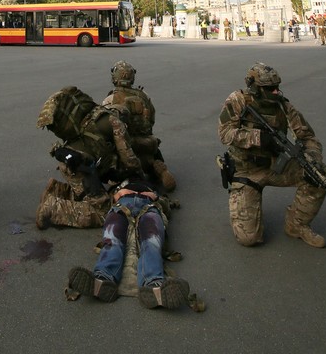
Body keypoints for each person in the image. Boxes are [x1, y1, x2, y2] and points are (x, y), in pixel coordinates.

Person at [218, 62, 326, 249]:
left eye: (277, 87)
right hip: (247, 170)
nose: (275, 92)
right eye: (269, 88)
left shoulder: (284, 107)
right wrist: (258, 138)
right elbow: (225, 133)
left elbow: (309, 137)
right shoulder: (237, 100)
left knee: (319, 176)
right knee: (249, 239)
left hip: (276, 165)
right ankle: (248, 202)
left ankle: (297, 224)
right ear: (254, 86)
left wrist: (313, 157)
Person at [67, 176, 203, 311]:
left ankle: (153, 284)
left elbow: (166, 203)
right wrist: (116, 194)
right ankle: (103, 279)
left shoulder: (152, 184)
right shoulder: (118, 181)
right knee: (113, 240)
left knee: (151, 242)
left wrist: (157, 197)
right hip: (121, 205)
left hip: (150, 206)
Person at [36, 86, 143, 229]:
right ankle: (53, 209)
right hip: (83, 168)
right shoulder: (115, 122)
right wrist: (140, 176)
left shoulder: (90, 118)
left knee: (92, 193)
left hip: (71, 163)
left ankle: (58, 190)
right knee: (104, 213)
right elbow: (129, 160)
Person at [102, 62, 176, 192]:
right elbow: (151, 120)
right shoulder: (144, 96)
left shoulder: (110, 100)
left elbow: (105, 127)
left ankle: (126, 179)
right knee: (152, 155)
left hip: (126, 148)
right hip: (147, 144)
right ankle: (155, 167)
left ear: (115, 78)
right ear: (132, 78)